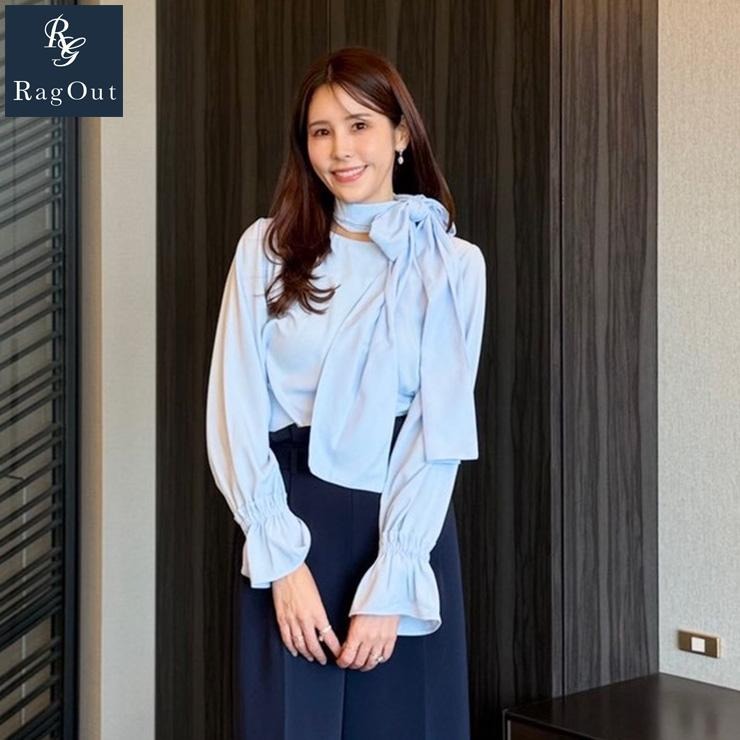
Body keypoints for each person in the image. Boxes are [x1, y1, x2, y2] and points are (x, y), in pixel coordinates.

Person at [206, 45, 486, 740]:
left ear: (400, 133)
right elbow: (234, 409)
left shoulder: (452, 264)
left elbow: (438, 434)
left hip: (404, 520)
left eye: (359, 125)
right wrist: (282, 563)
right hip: (289, 518)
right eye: (321, 131)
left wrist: (395, 581)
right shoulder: (266, 250)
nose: (340, 149)